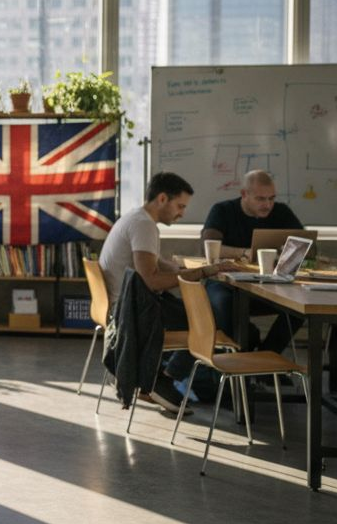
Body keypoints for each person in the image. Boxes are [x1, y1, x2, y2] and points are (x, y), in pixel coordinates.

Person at [98, 171, 239, 413]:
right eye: (180, 206)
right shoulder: (144, 225)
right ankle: (164, 379)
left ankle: (159, 376)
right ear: (162, 199)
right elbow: (151, 281)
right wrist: (203, 273)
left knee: (195, 311)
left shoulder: (135, 218)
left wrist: (181, 268)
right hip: (130, 312)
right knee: (210, 319)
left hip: (124, 305)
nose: (182, 213)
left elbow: (152, 261)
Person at [199, 169, 305, 353]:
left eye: (271, 198)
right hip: (225, 284)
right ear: (244, 194)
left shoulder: (282, 212)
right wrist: (244, 253)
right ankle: (242, 361)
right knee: (224, 306)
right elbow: (208, 247)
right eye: (261, 199)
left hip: (268, 286)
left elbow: (303, 245)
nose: (268, 205)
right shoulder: (223, 210)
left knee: (299, 309)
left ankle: (267, 357)